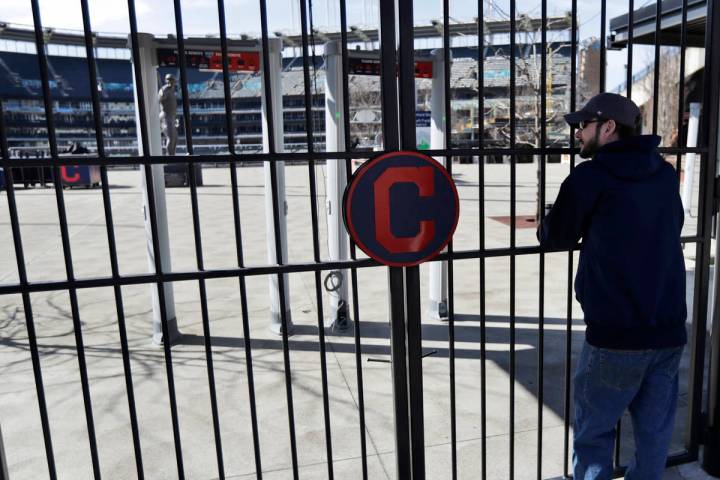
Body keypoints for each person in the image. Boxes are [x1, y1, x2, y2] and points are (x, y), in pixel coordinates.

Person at [537, 92, 686, 479]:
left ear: (607, 127)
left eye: (581, 126)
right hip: (669, 327)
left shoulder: (591, 175)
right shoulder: (664, 172)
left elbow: (556, 237)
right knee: (654, 434)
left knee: (594, 433)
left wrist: (548, 218)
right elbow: (673, 226)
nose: (576, 134)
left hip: (615, 334)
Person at [158, 73, 178, 155]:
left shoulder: (172, 90)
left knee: (175, 138)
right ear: (166, 81)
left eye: (172, 80)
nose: (170, 82)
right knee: (171, 138)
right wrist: (162, 95)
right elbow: (160, 98)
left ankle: (172, 155)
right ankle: (170, 159)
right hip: (166, 116)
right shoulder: (165, 89)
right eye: (168, 80)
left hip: (172, 117)